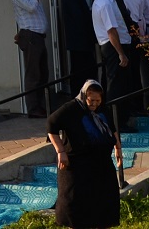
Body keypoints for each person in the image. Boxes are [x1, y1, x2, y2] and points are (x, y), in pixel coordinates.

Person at [46, 78, 124, 226]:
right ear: (84, 96)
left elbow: (112, 128)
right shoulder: (71, 109)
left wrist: (118, 148)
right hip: (77, 165)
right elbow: (51, 124)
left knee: (104, 203)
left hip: (101, 164)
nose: (94, 104)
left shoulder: (102, 109)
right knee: (77, 206)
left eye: (97, 100)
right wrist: (60, 151)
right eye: (91, 100)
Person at [90, 0, 140, 133]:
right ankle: (116, 122)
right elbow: (111, 30)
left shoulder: (108, 1)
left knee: (124, 84)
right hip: (113, 47)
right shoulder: (104, 3)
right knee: (116, 85)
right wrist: (121, 53)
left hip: (119, 45)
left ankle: (122, 120)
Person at [12, 0, 52, 118]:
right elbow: (30, 8)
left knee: (43, 73)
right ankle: (33, 108)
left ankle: (42, 105)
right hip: (30, 36)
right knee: (33, 74)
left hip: (38, 36)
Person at [59, 0, 97, 89]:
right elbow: (79, 18)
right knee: (80, 73)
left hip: (81, 42)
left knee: (85, 71)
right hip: (79, 42)